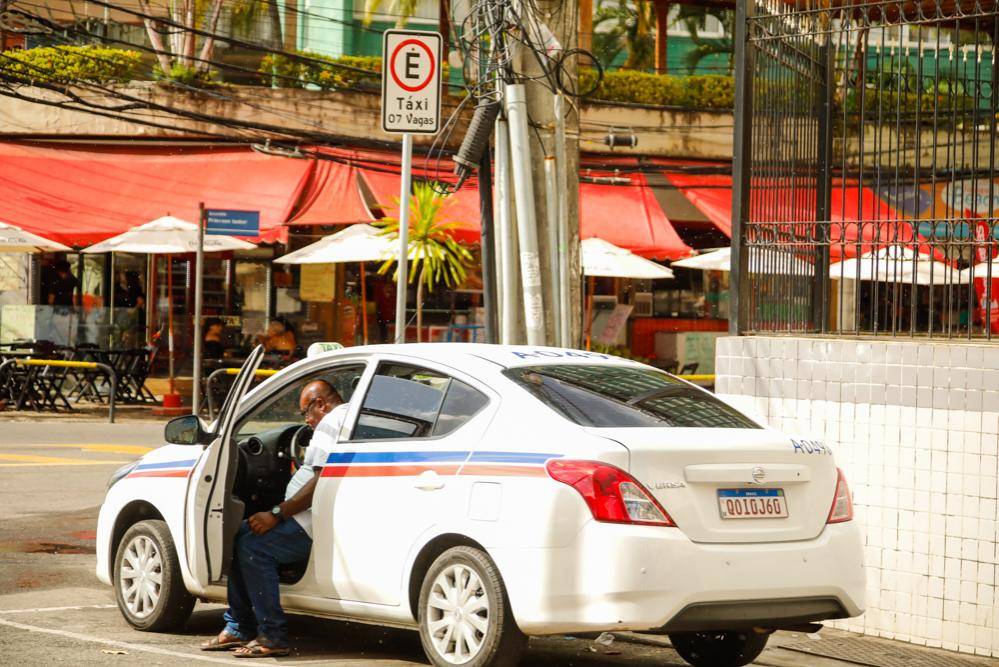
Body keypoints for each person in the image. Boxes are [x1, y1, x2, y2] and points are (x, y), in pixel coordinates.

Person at [201, 380, 348, 658]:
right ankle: (239, 626)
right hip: (307, 518)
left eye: (307, 412)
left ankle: (272, 635)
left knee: (255, 548)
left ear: (321, 404)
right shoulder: (343, 417)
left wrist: (277, 514)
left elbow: (321, 480)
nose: (307, 421)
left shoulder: (332, 420)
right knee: (241, 534)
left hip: (310, 522)